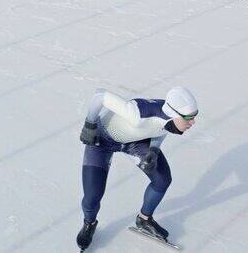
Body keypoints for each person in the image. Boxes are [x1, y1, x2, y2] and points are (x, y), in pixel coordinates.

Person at [76, 86, 198, 251]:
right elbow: (100, 95)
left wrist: (154, 150)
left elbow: (161, 128)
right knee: (92, 197)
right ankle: (89, 222)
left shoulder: (170, 117)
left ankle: (144, 219)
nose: (193, 122)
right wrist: (89, 125)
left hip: (134, 142)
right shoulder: (137, 114)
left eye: (194, 117)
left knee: (162, 180)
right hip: (101, 140)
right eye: (189, 118)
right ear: (175, 115)